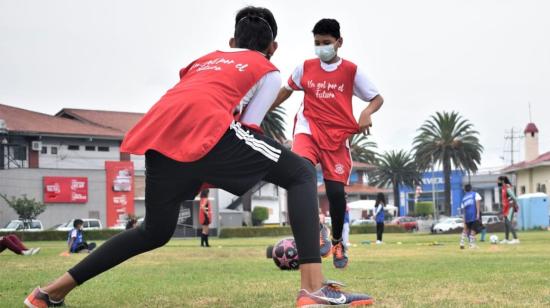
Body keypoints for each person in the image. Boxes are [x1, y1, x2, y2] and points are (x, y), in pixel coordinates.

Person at [24, 7, 374, 307]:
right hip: (209, 132)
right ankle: (312, 289)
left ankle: (48, 293)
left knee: (154, 231)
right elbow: (249, 126)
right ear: (273, 47)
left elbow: (191, 94)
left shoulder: (203, 60)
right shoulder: (267, 70)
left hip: (162, 141)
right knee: (298, 171)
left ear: (232, 42)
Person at [270, 18, 384, 269]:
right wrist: (263, 108)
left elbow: (377, 98)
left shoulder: (351, 71)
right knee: (302, 175)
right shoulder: (305, 67)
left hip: (336, 138)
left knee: (335, 194)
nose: (321, 48)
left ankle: (336, 243)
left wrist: (366, 113)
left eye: (326, 43)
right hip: (307, 131)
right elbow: (287, 90)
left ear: (339, 43)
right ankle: (317, 227)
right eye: (317, 43)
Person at [498, 176, 520, 244]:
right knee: (505, 223)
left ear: (502, 181)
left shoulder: (507, 187)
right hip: (506, 207)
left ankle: (516, 239)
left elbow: (513, 197)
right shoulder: (503, 188)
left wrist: (514, 204)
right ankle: (506, 239)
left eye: (498, 181)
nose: (497, 182)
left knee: (508, 222)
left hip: (510, 207)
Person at [459, 184, 482, 249]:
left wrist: (464, 220)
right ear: (471, 188)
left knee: (466, 229)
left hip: (467, 216)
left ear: (465, 190)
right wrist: (477, 214)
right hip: (473, 214)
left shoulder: (463, 198)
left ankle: (462, 242)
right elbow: (477, 203)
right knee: (473, 230)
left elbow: (463, 211)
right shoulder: (475, 194)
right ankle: (472, 245)